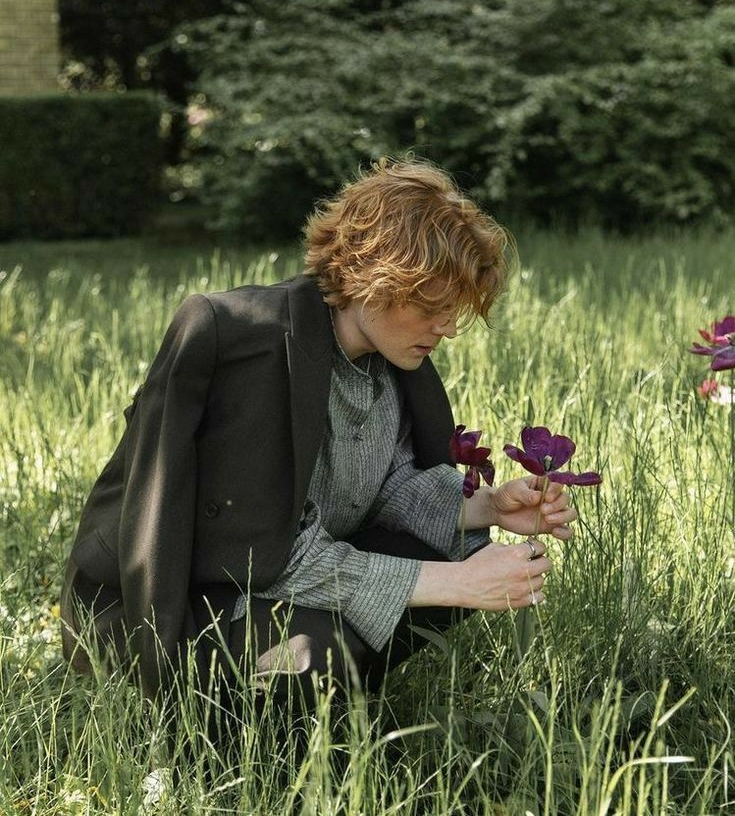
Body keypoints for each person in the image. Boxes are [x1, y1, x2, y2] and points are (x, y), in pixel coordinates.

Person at [61, 159, 576, 712]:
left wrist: (487, 509)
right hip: (189, 604)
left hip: (271, 580)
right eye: (431, 306)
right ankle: (245, 722)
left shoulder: (385, 360)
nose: (448, 327)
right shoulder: (251, 348)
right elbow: (271, 553)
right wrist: (456, 585)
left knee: (459, 547)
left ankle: (330, 698)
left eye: (454, 310)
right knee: (320, 652)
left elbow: (384, 486)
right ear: (371, 276)